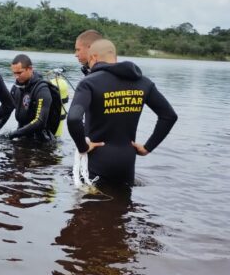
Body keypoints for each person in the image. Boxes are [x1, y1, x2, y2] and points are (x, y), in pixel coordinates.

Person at [67, 39, 178, 186]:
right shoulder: (143, 82)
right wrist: (147, 147)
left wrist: (83, 147)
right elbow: (169, 116)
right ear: (114, 57)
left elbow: (74, 119)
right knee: (122, 205)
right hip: (127, 161)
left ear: (93, 57)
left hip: (96, 159)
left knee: (88, 205)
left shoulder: (89, 82)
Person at [0, 54, 56, 143]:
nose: (16, 76)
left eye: (19, 73)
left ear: (30, 69)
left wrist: (13, 134)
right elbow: (7, 111)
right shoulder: (16, 87)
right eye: (14, 73)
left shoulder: (42, 89)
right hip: (22, 135)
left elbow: (40, 121)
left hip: (40, 140)